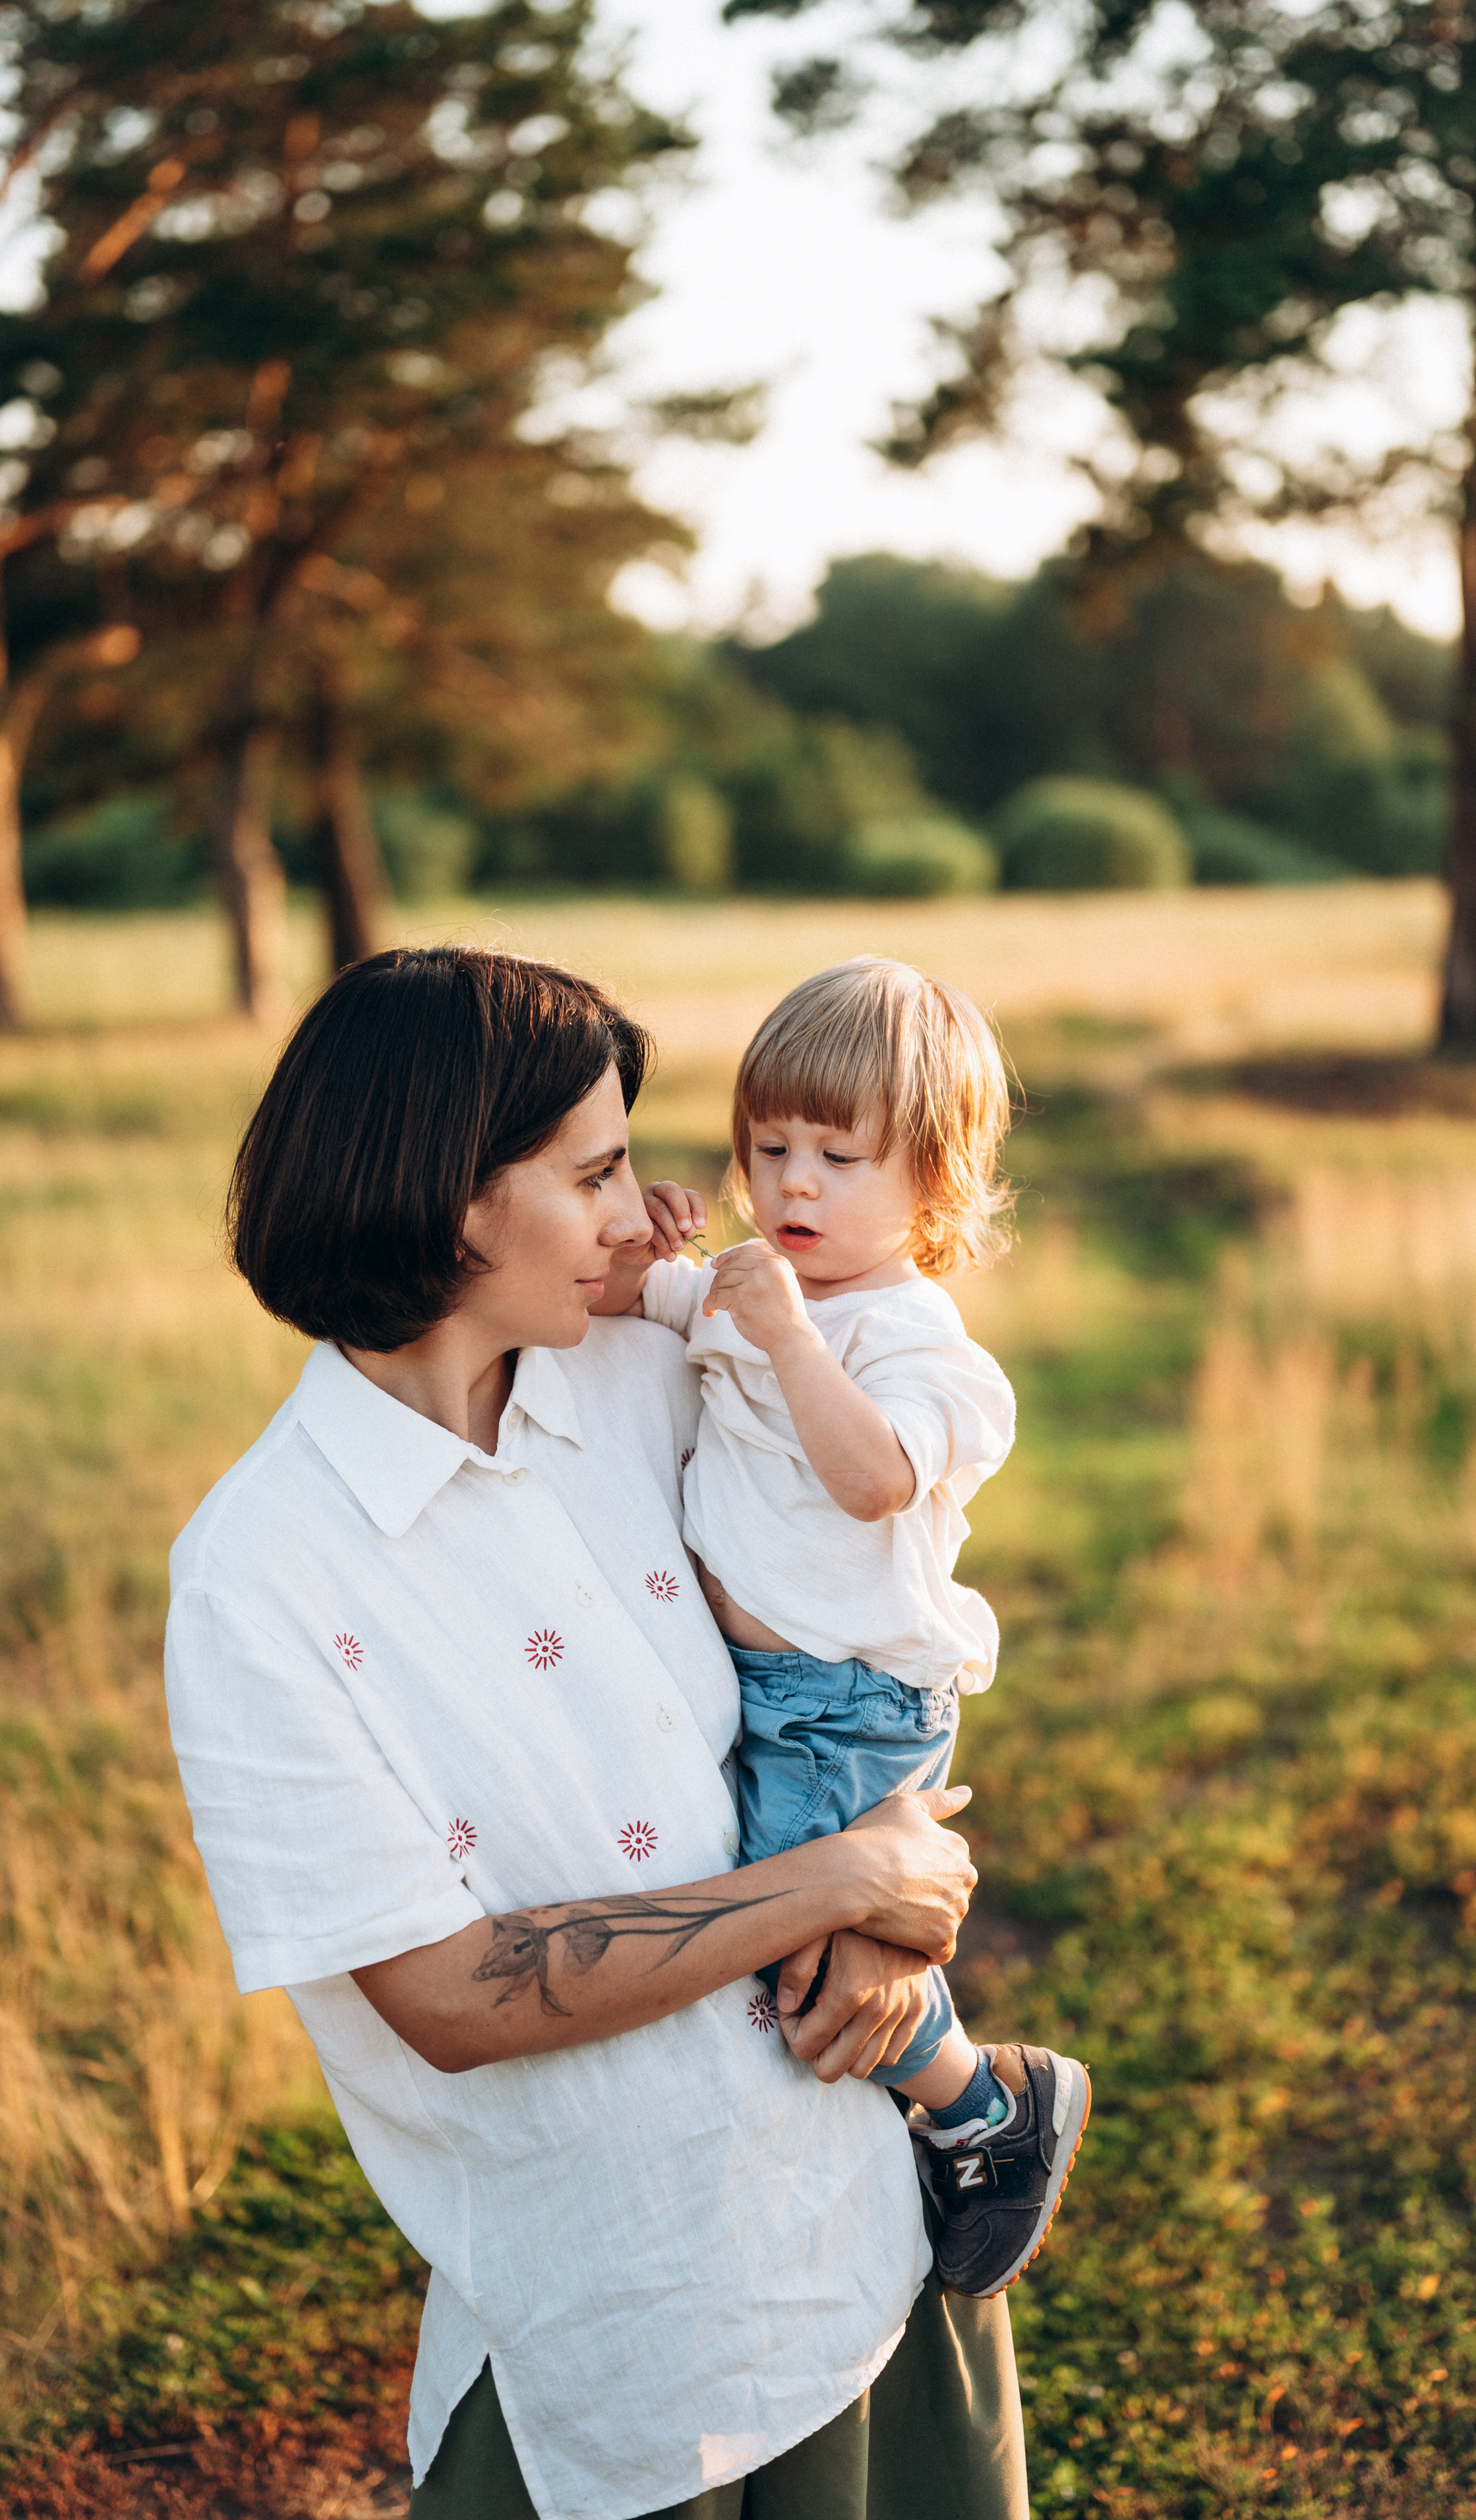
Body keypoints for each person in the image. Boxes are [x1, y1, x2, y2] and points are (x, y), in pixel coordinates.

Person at [163, 945, 1032, 2520]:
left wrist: (890, 1875)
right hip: (609, 2340)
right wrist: (844, 1880)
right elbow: (450, 1997)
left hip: (859, 2231)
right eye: (596, 1175)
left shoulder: (647, 1366)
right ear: (450, 1200)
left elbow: (867, 1606)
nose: (646, 1219)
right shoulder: (261, 1577)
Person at [593, 958, 1089, 2301]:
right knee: (775, 1939)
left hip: (846, 1699)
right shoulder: (750, 1287)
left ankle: (983, 2109)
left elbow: (872, 1478)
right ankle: (927, 2116)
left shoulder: (922, 1346)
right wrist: (646, 1239)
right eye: (769, 1150)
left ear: (931, 1184)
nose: (793, 1186)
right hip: (764, 1687)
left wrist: (789, 1338)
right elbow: (617, 1300)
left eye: (837, 1157)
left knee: (801, 1957)